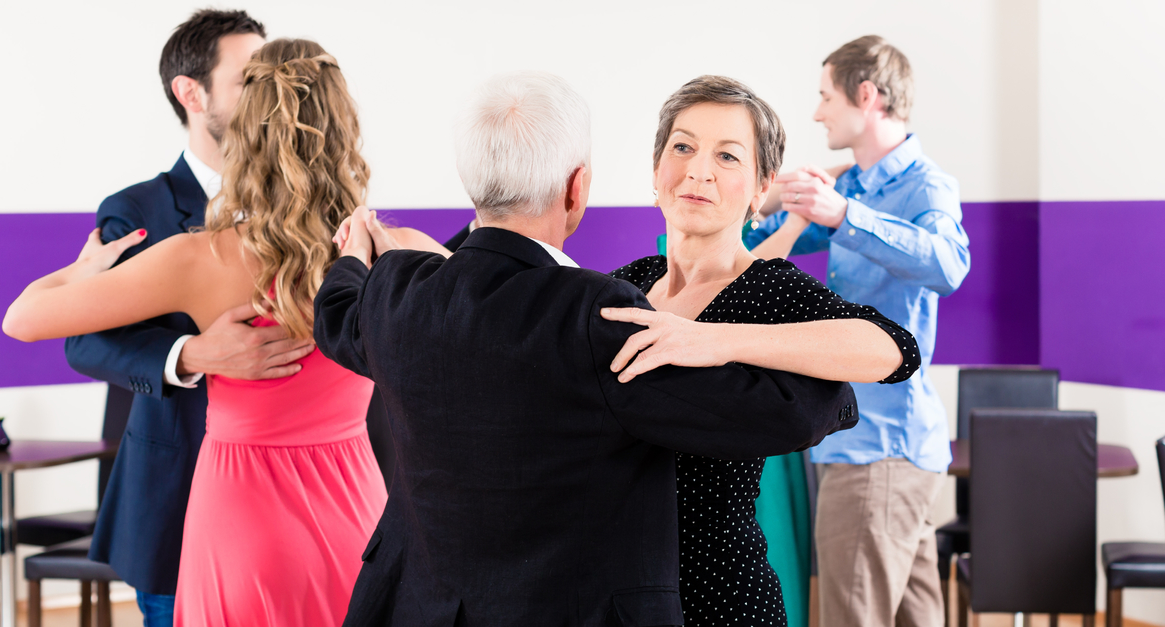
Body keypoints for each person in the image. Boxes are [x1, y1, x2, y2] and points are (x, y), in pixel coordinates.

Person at [313, 71, 861, 627]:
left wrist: (355, 257)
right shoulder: (598, 315)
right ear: (577, 188)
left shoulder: (399, 293)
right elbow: (774, 415)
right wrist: (829, 389)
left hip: (417, 607)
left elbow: (336, 315)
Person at [4, 39, 429, 625]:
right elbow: (523, 292)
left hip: (239, 518)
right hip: (355, 506)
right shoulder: (396, 250)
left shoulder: (198, 258)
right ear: (343, 134)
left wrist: (80, 271)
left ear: (247, 137)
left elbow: (21, 318)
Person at [603, 75, 920, 627]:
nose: (699, 170)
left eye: (727, 156)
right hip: (615, 589)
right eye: (683, 147)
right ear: (657, 171)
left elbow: (894, 349)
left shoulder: (767, 286)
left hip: (718, 592)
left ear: (758, 189)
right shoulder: (625, 285)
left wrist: (714, 339)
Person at [58, 10, 306, 626]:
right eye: (250, 79)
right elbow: (84, 340)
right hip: (179, 496)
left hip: (295, 499)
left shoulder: (305, 201)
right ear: (190, 93)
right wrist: (191, 356)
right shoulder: (136, 209)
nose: (269, 95)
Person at [744, 36, 970, 627]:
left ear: (866, 96)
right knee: (915, 617)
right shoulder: (851, 186)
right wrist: (771, 199)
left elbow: (949, 265)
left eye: (825, 97)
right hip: (888, 450)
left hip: (880, 451)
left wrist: (846, 215)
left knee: (851, 617)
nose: (817, 112)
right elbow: (755, 254)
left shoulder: (924, 186)